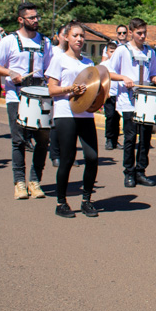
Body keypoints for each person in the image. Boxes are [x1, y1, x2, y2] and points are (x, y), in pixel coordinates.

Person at [0, 2, 53, 199]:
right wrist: (9, 72)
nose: (35, 21)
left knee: (42, 140)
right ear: (21, 19)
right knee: (19, 140)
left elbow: (50, 69)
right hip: (17, 96)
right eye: (31, 18)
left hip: (40, 96)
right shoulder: (9, 41)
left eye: (36, 17)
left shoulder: (45, 42)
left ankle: (35, 181)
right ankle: (19, 182)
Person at [45, 22, 100, 218]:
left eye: (82, 36)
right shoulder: (59, 59)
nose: (79, 39)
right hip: (65, 113)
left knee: (92, 157)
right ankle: (61, 202)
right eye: (76, 35)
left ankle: (86, 200)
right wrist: (71, 89)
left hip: (85, 114)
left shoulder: (88, 63)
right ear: (67, 37)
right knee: (67, 159)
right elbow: (51, 89)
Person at [110, 18, 156, 189]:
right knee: (130, 137)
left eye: (144, 33)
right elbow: (110, 72)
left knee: (146, 138)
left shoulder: (150, 52)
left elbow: (153, 73)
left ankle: (141, 171)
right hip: (129, 101)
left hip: (146, 101)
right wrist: (124, 78)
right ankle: (129, 172)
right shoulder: (122, 51)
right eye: (139, 33)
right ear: (131, 32)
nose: (142, 36)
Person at [49, 24, 70, 169]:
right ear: (58, 37)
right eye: (63, 34)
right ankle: (55, 155)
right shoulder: (52, 52)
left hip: (68, 95)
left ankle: (67, 155)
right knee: (54, 126)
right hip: (55, 91)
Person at [103, 29, 126, 150]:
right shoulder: (104, 65)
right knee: (110, 117)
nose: (113, 54)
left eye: (114, 52)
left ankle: (115, 140)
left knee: (117, 117)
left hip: (119, 94)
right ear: (107, 52)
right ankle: (109, 139)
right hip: (109, 94)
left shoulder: (121, 64)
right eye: (111, 52)